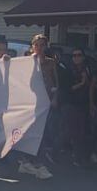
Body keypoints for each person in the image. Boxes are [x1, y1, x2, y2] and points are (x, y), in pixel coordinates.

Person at [16, 35, 55, 180]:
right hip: (30, 104)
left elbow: (56, 82)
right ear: (32, 46)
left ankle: (32, 162)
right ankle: (32, 163)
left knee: (43, 134)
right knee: (30, 134)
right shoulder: (27, 62)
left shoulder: (51, 63)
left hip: (45, 103)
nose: (39, 48)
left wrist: (55, 98)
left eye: (42, 45)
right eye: (36, 45)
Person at [61, 47, 92, 165]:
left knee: (81, 132)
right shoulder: (68, 70)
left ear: (83, 57)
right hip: (70, 103)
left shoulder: (87, 69)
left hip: (83, 104)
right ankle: (54, 150)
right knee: (68, 131)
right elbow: (67, 89)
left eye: (79, 55)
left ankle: (78, 157)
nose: (76, 58)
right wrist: (81, 83)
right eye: (74, 55)